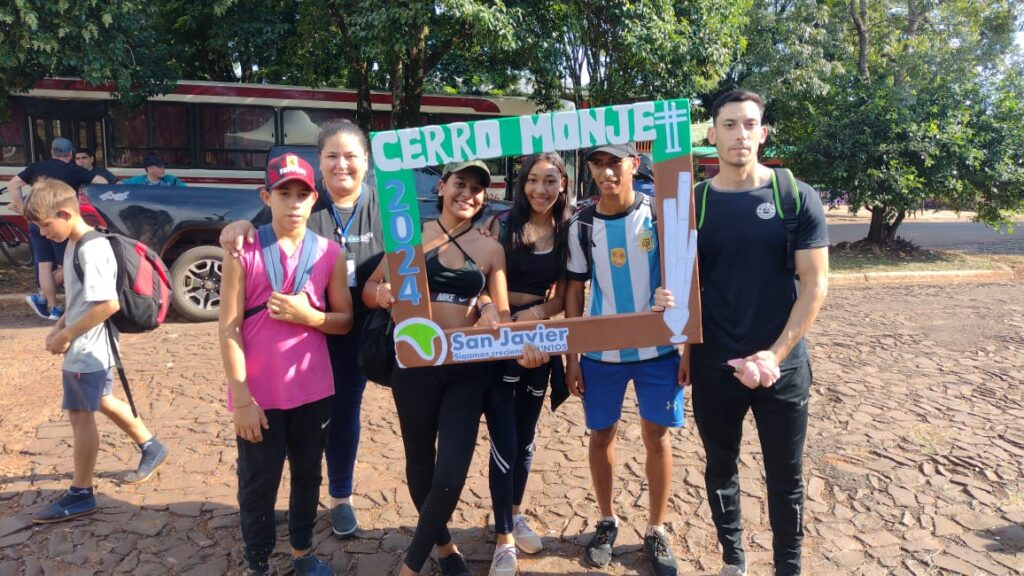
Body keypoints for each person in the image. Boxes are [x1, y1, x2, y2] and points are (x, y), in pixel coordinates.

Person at [654, 90, 829, 576]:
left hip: (784, 366)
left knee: (786, 478)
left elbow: (815, 286)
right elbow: (683, 284)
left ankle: (787, 568)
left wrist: (775, 354)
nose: (740, 134)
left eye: (750, 124)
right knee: (721, 468)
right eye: (729, 125)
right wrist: (674, 320)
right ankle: (734, 561)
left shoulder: (795, 196)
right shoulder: (694, 204)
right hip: (715, 366)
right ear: (711, 136)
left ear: (763, 132)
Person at [365, 160, 547, 576]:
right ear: (442, 187)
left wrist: (487, 308)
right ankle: (445, 547)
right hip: (414, 367)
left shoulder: (490, 248)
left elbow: (501, 312)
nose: (469, 194)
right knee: (420, 464)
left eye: (478, 188)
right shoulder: (410, 237)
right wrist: (383, 294)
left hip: (467, 370)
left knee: (450, 473)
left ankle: (411, 565)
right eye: (460, 184)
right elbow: (372, 288)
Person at [219, 119, 383, 538]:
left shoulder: (387, 208)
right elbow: (250, 233)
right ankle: (274, 502)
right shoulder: (303, 200)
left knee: (344, 414)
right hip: (297, 338)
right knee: (288, 421)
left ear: (366, 161)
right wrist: (233, 229)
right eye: (331, 156)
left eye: (351, 156)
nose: (341, 164)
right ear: (320, 163)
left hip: (358, 331)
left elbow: (418, 252)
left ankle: (340, 497)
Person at [218, 152, 353, 576]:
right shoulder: (243, 250)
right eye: (283, 193)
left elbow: (344, 320)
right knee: (258, 482)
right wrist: (241, 396)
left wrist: (310, 317)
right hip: (260, 395)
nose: (293, 203)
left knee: (308, 476)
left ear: (315, 200)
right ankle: (257, 561)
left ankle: (301, 552)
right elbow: (228, 327)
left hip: (314, 392)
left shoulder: (329, 252)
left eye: (302, 194)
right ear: (267, 196)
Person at [564, 143, 683, 576]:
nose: (606, 171)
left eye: (615, 162)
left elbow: (685, 277)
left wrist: (686, 344)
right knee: (601, 436)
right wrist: (572, 356)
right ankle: (607, 520)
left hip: (659, 351)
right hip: (600, 352)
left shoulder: (658, 214)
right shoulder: (581, 223)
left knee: (657, 437)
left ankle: (656, 529)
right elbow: (576, 290)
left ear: (634, 164)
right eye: (597, 164)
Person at [23, 177, 168, 524]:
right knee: (100, 400)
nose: (44, 234)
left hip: (89, 349)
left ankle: (81, 493)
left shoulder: (90, 247)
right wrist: (58, 329)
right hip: (86, 344)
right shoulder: (75, 244)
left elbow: (107, 305)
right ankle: (152, 446)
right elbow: (80, 300)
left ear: (65, 213)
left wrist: (67, 334)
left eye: (45, 226)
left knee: (79, 415)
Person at [476, 153, 571, 575]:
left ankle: (514, 513)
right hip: (500, 339)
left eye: (550, 181)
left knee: (528, 436)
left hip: (540, 339)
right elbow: (478, 281)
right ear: (521, 184)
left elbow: (563, 298)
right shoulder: (500, 224)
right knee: (505, 439)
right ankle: (503, 540)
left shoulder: (568, 230)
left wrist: (534, 316)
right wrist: (505, 315)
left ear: (563, 184)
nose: (540, 190)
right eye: (533, 180)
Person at [6, 137, 108, 320]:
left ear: (52, 152)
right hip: (59, 222)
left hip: (36, 221)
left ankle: (52, 306)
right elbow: (102, 182)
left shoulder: (36, 167)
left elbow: (13, 184)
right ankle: (45, 298)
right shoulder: (74, 170)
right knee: (65, 264)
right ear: (70, 154)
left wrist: (23, 209)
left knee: (44, 263)